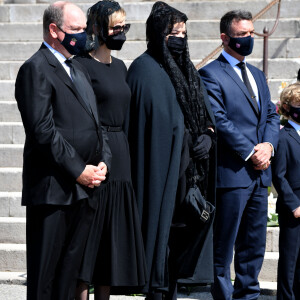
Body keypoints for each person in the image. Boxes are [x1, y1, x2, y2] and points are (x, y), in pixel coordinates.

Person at [14, 2, 111, 299]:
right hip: (53, 191)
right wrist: (78, 169)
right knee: (46, 279)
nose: (84, 35)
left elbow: (97, 123)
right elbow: (43, 131)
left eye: (85, 29)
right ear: (54, 30)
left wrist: (103, 161)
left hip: (85, 190)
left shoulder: (78, 68)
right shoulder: (36, 68)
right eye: (77, 30)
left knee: (70, 278)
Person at [126, 2, 216, 299]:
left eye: (183, 32)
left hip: (190, 176)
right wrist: (181, 140)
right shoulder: (143, 69)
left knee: (180, 246)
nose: (179, 38)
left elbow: (204, 112)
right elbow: (149, 124)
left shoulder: (187, 69)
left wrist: (207, 135)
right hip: (162, 173)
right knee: (160, 251)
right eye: (172, 32)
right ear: (156, 33)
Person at [199, 10, 280, 300]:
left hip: (260, 176)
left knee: (254, 245)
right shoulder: (209, 74)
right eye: (242, 34)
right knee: (224, 246)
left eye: (251, 33)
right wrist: (250, 151)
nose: (249, 39)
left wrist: (268, 146)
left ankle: (248, 295)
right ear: (225, 38)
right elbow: (219, 120)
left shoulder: (257, 74)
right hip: (232, 175)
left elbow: (271, 115)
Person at [74, 1, 147, 299]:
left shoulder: (121, 66)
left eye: (124, 27)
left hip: (121, 155)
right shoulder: (80, 65)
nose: (121, 32)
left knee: (111, 241)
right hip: (95, 152)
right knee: (89, 240)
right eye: (116, 27)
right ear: (98, 28)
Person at [272, 82, 300, 300]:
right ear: (289, 108)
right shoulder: (283, 137)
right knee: (290, 261)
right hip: (294, 208)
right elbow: (278, 176)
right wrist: (294, 205)